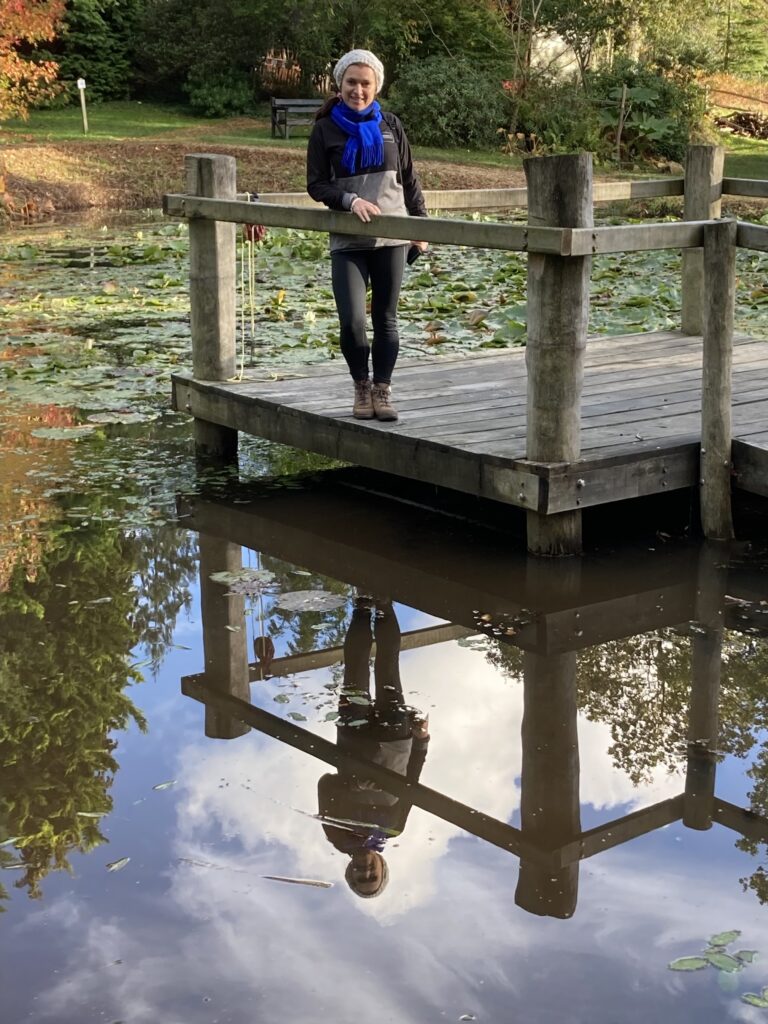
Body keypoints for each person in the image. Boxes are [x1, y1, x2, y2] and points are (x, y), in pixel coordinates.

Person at [307, 49, 428, 423]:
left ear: (376, 86)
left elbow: (409, 179)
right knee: (352, 322)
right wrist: (350, 199)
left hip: (391, 237)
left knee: (387, 319)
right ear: (339, 84)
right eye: (351, 82)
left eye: (365, 83)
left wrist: (419, 226)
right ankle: (361, 387)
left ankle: (383, 390)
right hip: (348, 240)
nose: (358, 90)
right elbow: (317, 185)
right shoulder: (325, 129)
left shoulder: (391, 125)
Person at [317, 596, 430, 898]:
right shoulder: (395, 829)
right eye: (372, 876)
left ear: (349, 873)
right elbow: (411, 783)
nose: (364, 871)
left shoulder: (337, 837)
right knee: (388, 667)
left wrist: (352, 785)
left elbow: (325, 784)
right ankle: (385, 605)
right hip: (396, 739)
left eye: (358, 877)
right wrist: (422, 742)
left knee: (355, 669)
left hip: (353, 740)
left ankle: (362, 607)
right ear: (382, 867)